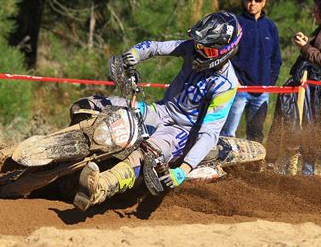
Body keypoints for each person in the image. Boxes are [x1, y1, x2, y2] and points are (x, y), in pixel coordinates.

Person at [72, 11, 242, 211]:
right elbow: (154, 47)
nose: (200, 52)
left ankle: (99, 188)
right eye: (198, 45)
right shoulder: (191, 48)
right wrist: (131, 57)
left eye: (208, 51)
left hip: (182, 132)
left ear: (226, 51)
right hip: (160, 110)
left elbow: (209, 133)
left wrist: (183, 170)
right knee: (93, 104)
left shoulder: (226, 85)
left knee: (145, 154)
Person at [220, 0, 282, 143]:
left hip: (262, 90)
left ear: (264, 2)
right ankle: (225, 167)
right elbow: (225, 55)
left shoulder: (270, 27)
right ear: (244, 1)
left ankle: (253, 167)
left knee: (256, 134)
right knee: (228, 132)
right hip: (239, 89)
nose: (253, 3)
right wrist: (235, 80)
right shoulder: (235, 24)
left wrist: (270, 82)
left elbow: (276, 59)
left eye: (257, 0)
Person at [293, 0, 321, 175]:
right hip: (315, 90)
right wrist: (306, 42)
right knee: (310, 131)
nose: (313, 12)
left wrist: (305, 47)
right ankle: (307, 176)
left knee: (319, 134)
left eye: (316, 9)